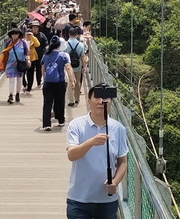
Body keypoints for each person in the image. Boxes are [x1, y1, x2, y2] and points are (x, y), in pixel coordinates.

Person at [66, 84, 128, 219]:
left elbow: (122, 162)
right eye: (97, 97)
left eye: (106, 98)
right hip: (79, 200)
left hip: (107, 201)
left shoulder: (119, 129)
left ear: (111, 102)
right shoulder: (76, 125)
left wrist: (115, 182)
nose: (101, 102)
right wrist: (91, 142)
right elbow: (71, 155)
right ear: (89, 102)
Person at [40, 35, 76, 130]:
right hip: (60, 82)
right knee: (59, 101)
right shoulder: (64, 55)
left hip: (48, 82)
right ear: (60, 45)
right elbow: (68, 68)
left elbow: (43, 68)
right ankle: (60, 120)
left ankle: (47, 123)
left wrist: (44, 78)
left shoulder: (46, 55)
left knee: (47, 102)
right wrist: (72, 81)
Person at [0, 26, 29, 104]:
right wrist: (3, 64)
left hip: (20, 64)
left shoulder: (23, 43)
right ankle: (11, 94)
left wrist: (28, 60)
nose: (14, 35)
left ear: (19, 34)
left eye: (16, 34)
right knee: (11, 79)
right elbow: (5, 53)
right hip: (10, 64)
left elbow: (26, 52)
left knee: (19, 80)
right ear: (11, 35)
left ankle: (18, 93)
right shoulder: (8, 43)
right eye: (13, 34)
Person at [66, 27, 88, 106]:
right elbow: (83, 57)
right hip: (78, 65)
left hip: (68, 65)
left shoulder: (66, 44)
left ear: (69, 34)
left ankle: (71, 100)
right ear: (76, 35)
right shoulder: (80, 44)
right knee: (77, 82)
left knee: (70, 81)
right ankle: (77, 99)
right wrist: (84, 66)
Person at [22, 23, 41, 93]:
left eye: (30, 34)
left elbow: (38, 45)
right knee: (22, 73)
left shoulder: (33, 39)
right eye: (27, 34)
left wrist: (33, 37)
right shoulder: (23, 41)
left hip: (32, 58)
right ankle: (24, 84)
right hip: (23, 59)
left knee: (30, 73)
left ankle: (29, 88)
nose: (28, 36)